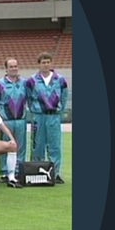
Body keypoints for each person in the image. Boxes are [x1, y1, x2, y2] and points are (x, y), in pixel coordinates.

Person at [26, 52, 69, 184]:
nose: (45, 65)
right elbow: (28, 98)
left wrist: (59, 110)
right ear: (39, 64)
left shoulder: (60, 79)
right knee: (37, 145)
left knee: (55, 145)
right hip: (39, 117)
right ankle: (36, 171)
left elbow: (64, 96)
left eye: (48, 62)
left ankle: (55, 173)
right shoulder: (32, 80)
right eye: (43, 62)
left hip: (53, 116)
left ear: (51, 63)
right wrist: (34, 110)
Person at [0, 58, 28, 181]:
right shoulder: (0, 84)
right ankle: (4, 171)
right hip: (6, 120)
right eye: (11, 66)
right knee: (5, 146)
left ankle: (18, 170)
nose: (14, 68)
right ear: (6, 69)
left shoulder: (24, 82)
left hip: (20, 119)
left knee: (20, 146)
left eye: (15, 66)